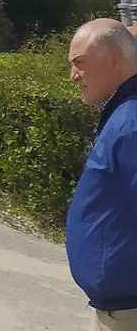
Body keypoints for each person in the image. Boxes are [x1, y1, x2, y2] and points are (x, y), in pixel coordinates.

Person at [66, 19, 137, 330]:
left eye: (80, 63)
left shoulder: (132, 123)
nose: (73, 75)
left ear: (114, 59)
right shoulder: (123, 114)